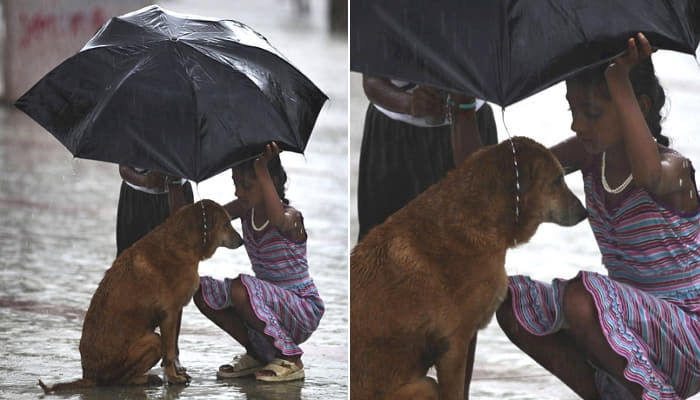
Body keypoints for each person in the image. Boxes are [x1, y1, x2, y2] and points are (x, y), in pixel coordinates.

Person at [495, 33, 700, 399]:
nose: (577, 125)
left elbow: (648, 175)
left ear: (637, 106)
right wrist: (462, 109)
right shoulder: (590, 155)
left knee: (581, 298)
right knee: (503, 297)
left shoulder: (674, 169)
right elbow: (507, 176)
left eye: (591, 114)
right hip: (625, 331)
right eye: (572, 111)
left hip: (688, 336)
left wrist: (618, 77)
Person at [194, 142, 324, 382]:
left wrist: (261, 167)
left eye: (246, 185)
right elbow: (203, 222)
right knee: (200, 290)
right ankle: (259, 353)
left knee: (240, 289)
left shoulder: (291, 217)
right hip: (263, 306)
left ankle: (291, 358)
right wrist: (176, 183)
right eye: (235, 183)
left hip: (301, 308)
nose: (238, 193)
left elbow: (278, 221)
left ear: (270, 182)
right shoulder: (245, 209)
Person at [357, 75, 499, 241]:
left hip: (471, 121)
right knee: (381, 249)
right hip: (393, 134)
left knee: (474, 241)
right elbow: (372, 80)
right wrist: (409, 103)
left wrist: (463, 104)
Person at [116, 165, 194, 374]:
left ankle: (171, 353)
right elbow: (123, 167)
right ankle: (133, 350)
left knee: (177, 278)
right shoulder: (131, 130)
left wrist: (174, 179)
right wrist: (144, 181)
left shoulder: (184, 131)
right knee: (132, 277)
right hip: (135, 197)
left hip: (178, 194)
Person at [116, 166, 194, 256]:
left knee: (181, 256)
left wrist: (174, 181)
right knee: (131, 260)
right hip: (137, 197)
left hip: (179, 191)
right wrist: (144, 180)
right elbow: (124, 168)